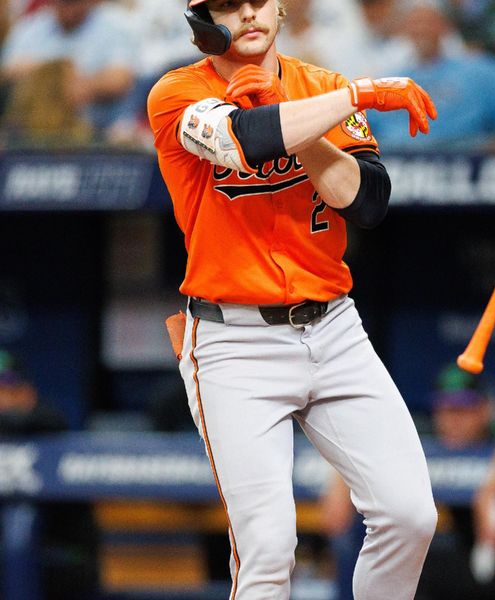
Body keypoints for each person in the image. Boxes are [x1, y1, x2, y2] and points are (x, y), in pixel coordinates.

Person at [146, 1, 439, 599]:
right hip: (234, 343)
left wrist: (297, 117)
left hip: (333, 329)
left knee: (410, 516)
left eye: (259, 1)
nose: (249, 15)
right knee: (268, 547)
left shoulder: (321, 88)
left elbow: (366, 202)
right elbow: (243, 141)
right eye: (229, 4)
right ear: (201, 17)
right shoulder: (176, 92)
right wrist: (358, 94)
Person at [322, 364, 495, 600]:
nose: (452, 419)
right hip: (472, 553)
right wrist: (341, 480)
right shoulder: (430, 443)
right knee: (420, 559)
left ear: (486, 409)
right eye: (445, 409)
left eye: (464, 409)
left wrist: (490, 493)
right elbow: (371, 443)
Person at [0, 349, 99, 600]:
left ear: (27, 391)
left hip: (62, 548)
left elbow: (38, 422)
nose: (4, 399)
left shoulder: (48, 420)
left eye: (10, 390)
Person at [369, 1, 495, 150]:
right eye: (415, 22)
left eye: (429, 22)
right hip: (398, 166)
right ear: (405, 28)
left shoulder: (480, 74)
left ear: (445, 26)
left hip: (464, 163)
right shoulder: (386, 83)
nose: (422, 29)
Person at [0, 0, 137, 143]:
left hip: (100, 130)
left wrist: (79, 84)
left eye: (74, 3)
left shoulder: (114, 26)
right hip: (31, 130)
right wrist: (53, 75)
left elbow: (120, 79)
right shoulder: (31, 26)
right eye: (63, 3)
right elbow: (7, 70)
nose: (69, 9)